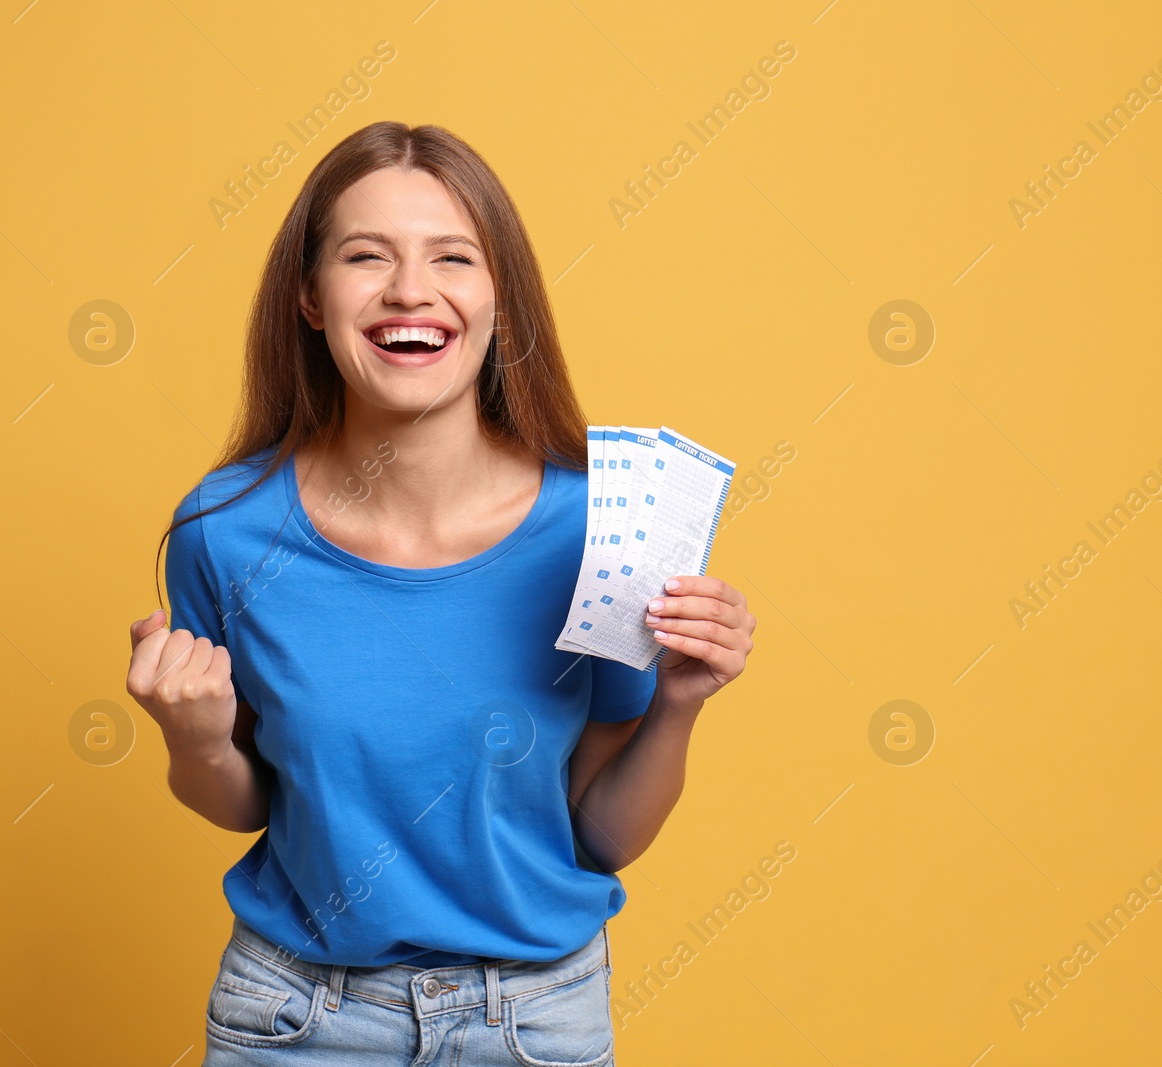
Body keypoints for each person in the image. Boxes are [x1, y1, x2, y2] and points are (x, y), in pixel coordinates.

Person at [123, 121, 755, 1065]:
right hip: (297, 1020)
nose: (410, 290)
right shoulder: (227, 528)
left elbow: (602, 834)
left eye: (452, 257)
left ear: (501, 299)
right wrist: (194, 735)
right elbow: (247, 802)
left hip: (537, 1023)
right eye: (365, 255)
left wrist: (677, 705)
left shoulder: (600, 524)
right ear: (309, 296)